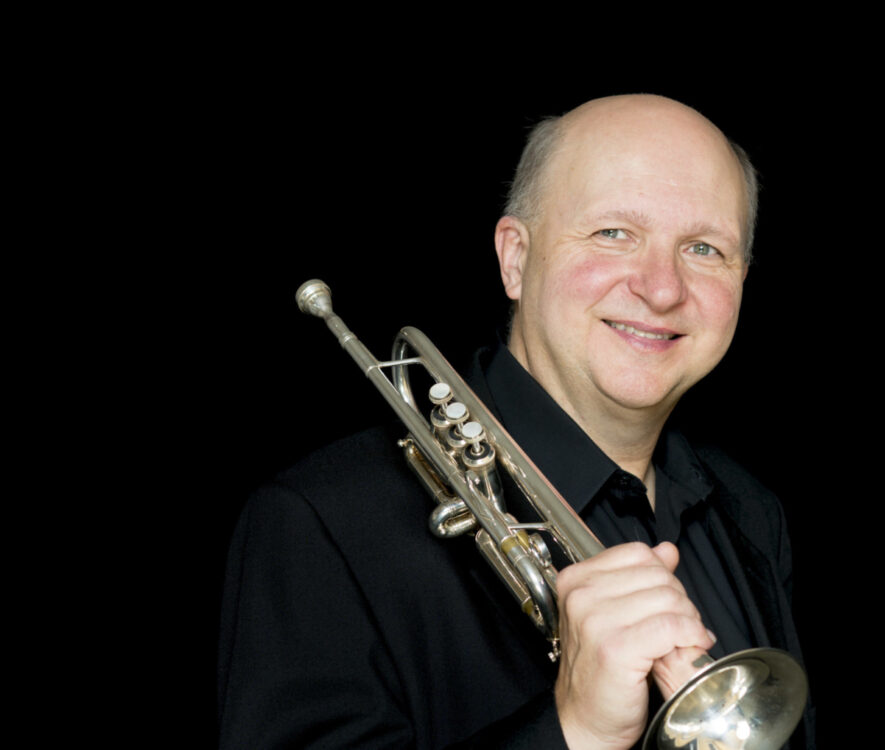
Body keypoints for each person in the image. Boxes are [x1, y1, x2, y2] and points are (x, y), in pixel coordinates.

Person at [218, 94, 815, 749]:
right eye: (614, 233)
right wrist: (574, 731)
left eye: (704, 248)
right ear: (515, 258)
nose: (663, 287)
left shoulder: (751, 512)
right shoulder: (321, 522)